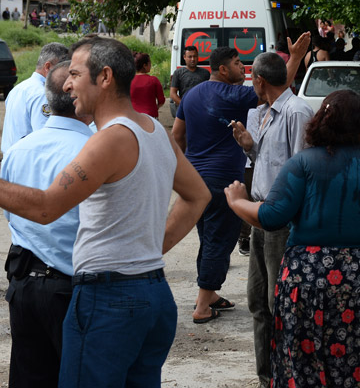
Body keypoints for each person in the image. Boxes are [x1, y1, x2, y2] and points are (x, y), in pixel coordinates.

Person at [0, 36, 210, 386]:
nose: (67, 84)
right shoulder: (153, 129)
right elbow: (198, 196)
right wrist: (150, 250)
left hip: (109, 300)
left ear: (105, 77)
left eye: (76, 74)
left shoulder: (109, 138)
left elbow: (45, 207)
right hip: (153, 294)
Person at [224, 90, 360, 388]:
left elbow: (271, 216)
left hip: (309, 278)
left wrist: (238, 202)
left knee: (305, 360)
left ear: (320, 121)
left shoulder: (303, 163)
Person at [173, 33, 311, 324]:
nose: (243, 70)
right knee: (220, 240)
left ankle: (209, 294)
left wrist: (183, 173)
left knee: (207, 238)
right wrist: (296, 57)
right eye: (237, 64)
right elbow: (274, 85)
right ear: (223, 69)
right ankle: (202, 305)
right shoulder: (234, 95)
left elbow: (176, 136)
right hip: (223, 181)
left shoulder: (191, 94)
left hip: (194, 180)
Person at [1, 61, 92, 388]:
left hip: (25, 286)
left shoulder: (18, 151)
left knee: (29, 376)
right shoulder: (95, 151)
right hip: (72, 289)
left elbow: (13, 215)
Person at [230, 52, 314, 388]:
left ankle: (287, 375)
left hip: (282, 218)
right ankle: (267, 377)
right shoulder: (262, 113)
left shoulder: (296, 112)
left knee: (278, 302)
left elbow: (301, 167)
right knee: (258, 299)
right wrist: (249, 146)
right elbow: (267, 161)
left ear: (260, 81)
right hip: (260, 214)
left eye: (252, 79)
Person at [2, 42, 69, 154]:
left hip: (11, 157)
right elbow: (44, 136)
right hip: (27, 159)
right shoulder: (42, 94)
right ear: (47, 67)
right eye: (62, 69)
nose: (67, 75)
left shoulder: (18, 88)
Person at [130, 52, 165, 118]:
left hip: (133, 116)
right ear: (144, 65)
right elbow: (161, 100)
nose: (150, 65)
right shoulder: (153, 80)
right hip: (151, 116)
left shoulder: (128, 81)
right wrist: (155, 108)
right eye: (149, 63)